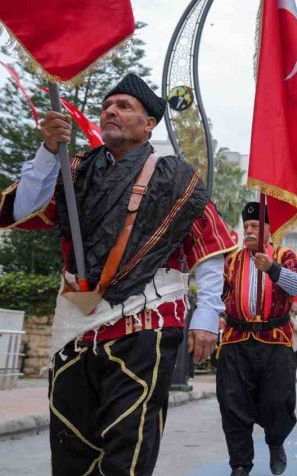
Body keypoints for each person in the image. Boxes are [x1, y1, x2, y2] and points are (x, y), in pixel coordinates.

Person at [0, 74, 236, 475]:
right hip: (76, 322)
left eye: (124, 106)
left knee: (129, 442)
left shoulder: (176, 177)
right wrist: (47, 151)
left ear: (149, 125)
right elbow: (23, 209)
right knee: (71, 444)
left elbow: (209, 249)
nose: (111, 110)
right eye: (107, 105)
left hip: (147, 320)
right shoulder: (74, 167)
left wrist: (207, 317)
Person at [216, 202, 297, 476]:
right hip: (236, 340)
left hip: (275, 340)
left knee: (277, 402)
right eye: (246, 226)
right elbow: (217, 295)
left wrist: (272, 269)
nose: (249, 230)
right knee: (232, 404)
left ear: (269, 230)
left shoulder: (285, 254)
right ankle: (240, 464)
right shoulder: (231, 259)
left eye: (255, 226)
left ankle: (275, 441)